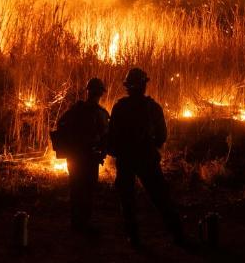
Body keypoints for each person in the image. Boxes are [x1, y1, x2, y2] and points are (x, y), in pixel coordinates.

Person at [108, 68, 186, 249]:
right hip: (147, 159)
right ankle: (177, 234)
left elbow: (111, 136)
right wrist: (149, 147)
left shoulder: (120, 107)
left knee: (127, 200)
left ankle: (133, 238)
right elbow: (162, 136)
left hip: (126, 159)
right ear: (144, 86)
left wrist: (117, 151)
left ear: (127, 87)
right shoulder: (153, 107)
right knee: (161, 197)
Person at [55, 77, 109, 233]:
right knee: (88, 190)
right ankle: (84, 222)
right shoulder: (101, 114)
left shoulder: (75, 110)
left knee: (76, 188)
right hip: (89, 158)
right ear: (100, 94)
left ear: (88, 92)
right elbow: (106, 136)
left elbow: (61, 124)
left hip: (76, 157)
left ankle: (76, 222)